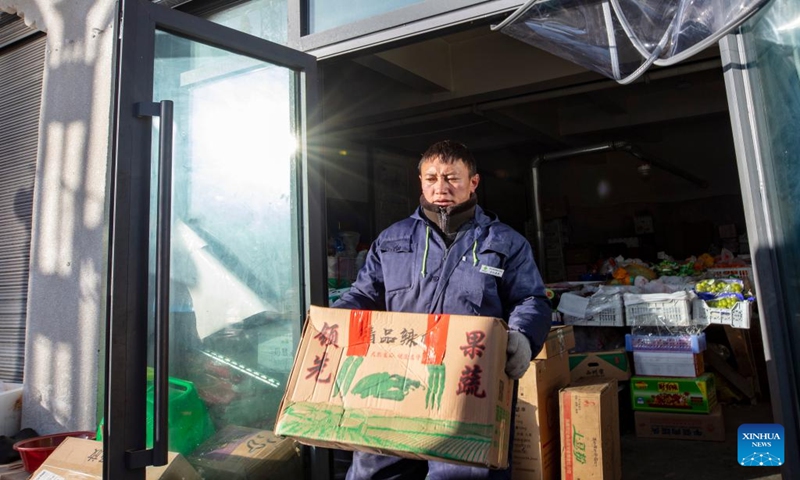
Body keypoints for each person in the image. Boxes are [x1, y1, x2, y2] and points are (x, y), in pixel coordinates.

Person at [332, 140, 552, 480]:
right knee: (373, 474)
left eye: (452, 178)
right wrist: (330, 323)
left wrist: (522, 336)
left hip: (467, 389)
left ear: (473, 182)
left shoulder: (505, 242)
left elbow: (531, 299)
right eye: (431, 178)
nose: (441, 188)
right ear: (420, 180)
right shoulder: (392, 240)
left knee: (462, 475)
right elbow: (364, 295)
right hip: (394, 384)